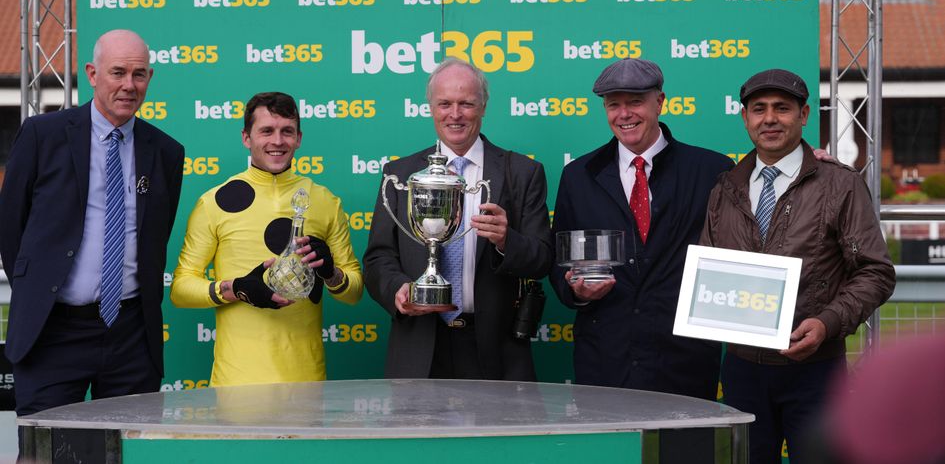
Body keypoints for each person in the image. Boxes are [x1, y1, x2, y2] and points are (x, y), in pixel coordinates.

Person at [699, 68, 895, 464]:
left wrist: (827, 322)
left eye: (782, 108)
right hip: (741, 371)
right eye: (759, 109)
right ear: (745, 118)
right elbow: (711, 268)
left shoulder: (840, 185)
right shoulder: (725, 188)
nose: (769, 118)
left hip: (815, 371)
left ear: (804, 115)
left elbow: (876, 271)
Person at [0, 29, 185, 416]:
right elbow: (11, 228)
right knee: (44, 451)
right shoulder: (42, 135)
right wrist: (40, 287)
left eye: (139, 74)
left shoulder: (166, 151)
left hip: (131, 335)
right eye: (118, 72)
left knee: (125, 451)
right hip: (53, 331)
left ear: (150, 78)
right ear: (92, 73)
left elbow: (155, 236)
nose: (128, 85)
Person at [549, 58, 733, 400]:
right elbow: (557, 264)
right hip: (604, 363)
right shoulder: (578, 176)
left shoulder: (713, 170)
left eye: (635, 102)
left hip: (685, 363)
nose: (624, 114)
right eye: (613, 104)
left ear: (659, 102)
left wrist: (802, 158)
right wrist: (575, 290)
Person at [363, 58, 553, 380]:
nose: (455, 114)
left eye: (466, 103)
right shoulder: (400, 174)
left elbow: (543, 260)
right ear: (431, 108)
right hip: (419, 348)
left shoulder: (523, 173)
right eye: (445, 104)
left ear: (483, 107)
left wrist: (508, 241)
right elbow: (378, 258)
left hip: (496, 350)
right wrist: (398, 290)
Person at [170, 92, 362, 386]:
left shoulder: (325, 201)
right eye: (266, 131)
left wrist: (331, 273)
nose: (278, 141)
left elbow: (353, 293)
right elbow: (180, 289)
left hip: (307, 381)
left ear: (299, 138)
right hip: (236, 382)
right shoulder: (212, 203)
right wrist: (235, 289)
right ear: (246, 138)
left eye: (287, 131)